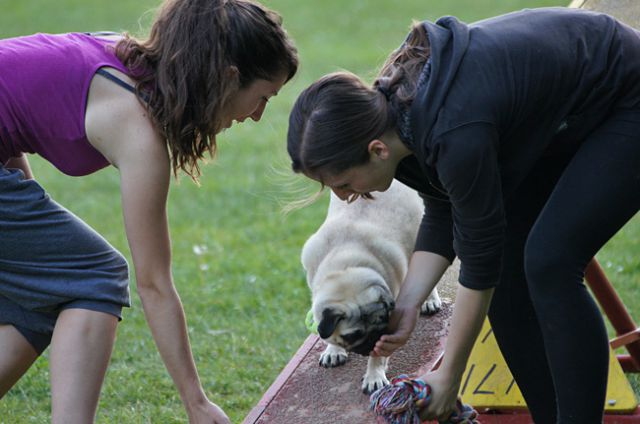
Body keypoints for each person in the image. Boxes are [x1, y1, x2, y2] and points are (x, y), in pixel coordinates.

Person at [287, 6, 640, 423]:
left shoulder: (453, 131)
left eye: (344, 183)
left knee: (550, 261)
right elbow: (444, 210)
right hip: (562, 120)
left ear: (375, 151)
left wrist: (450, 375)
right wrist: (408, 304)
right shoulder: (398, 127)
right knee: (510, 278)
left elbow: (478, 256)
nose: (345, 198)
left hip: (625, 96)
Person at [0, 0, 297, 422]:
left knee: (46, 294)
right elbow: (153, 282)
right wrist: (195, 401)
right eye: (262, 97)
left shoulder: (123, 58)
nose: (257, 115)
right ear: (230, 78)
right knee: (94, 276)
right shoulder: (135, 122)